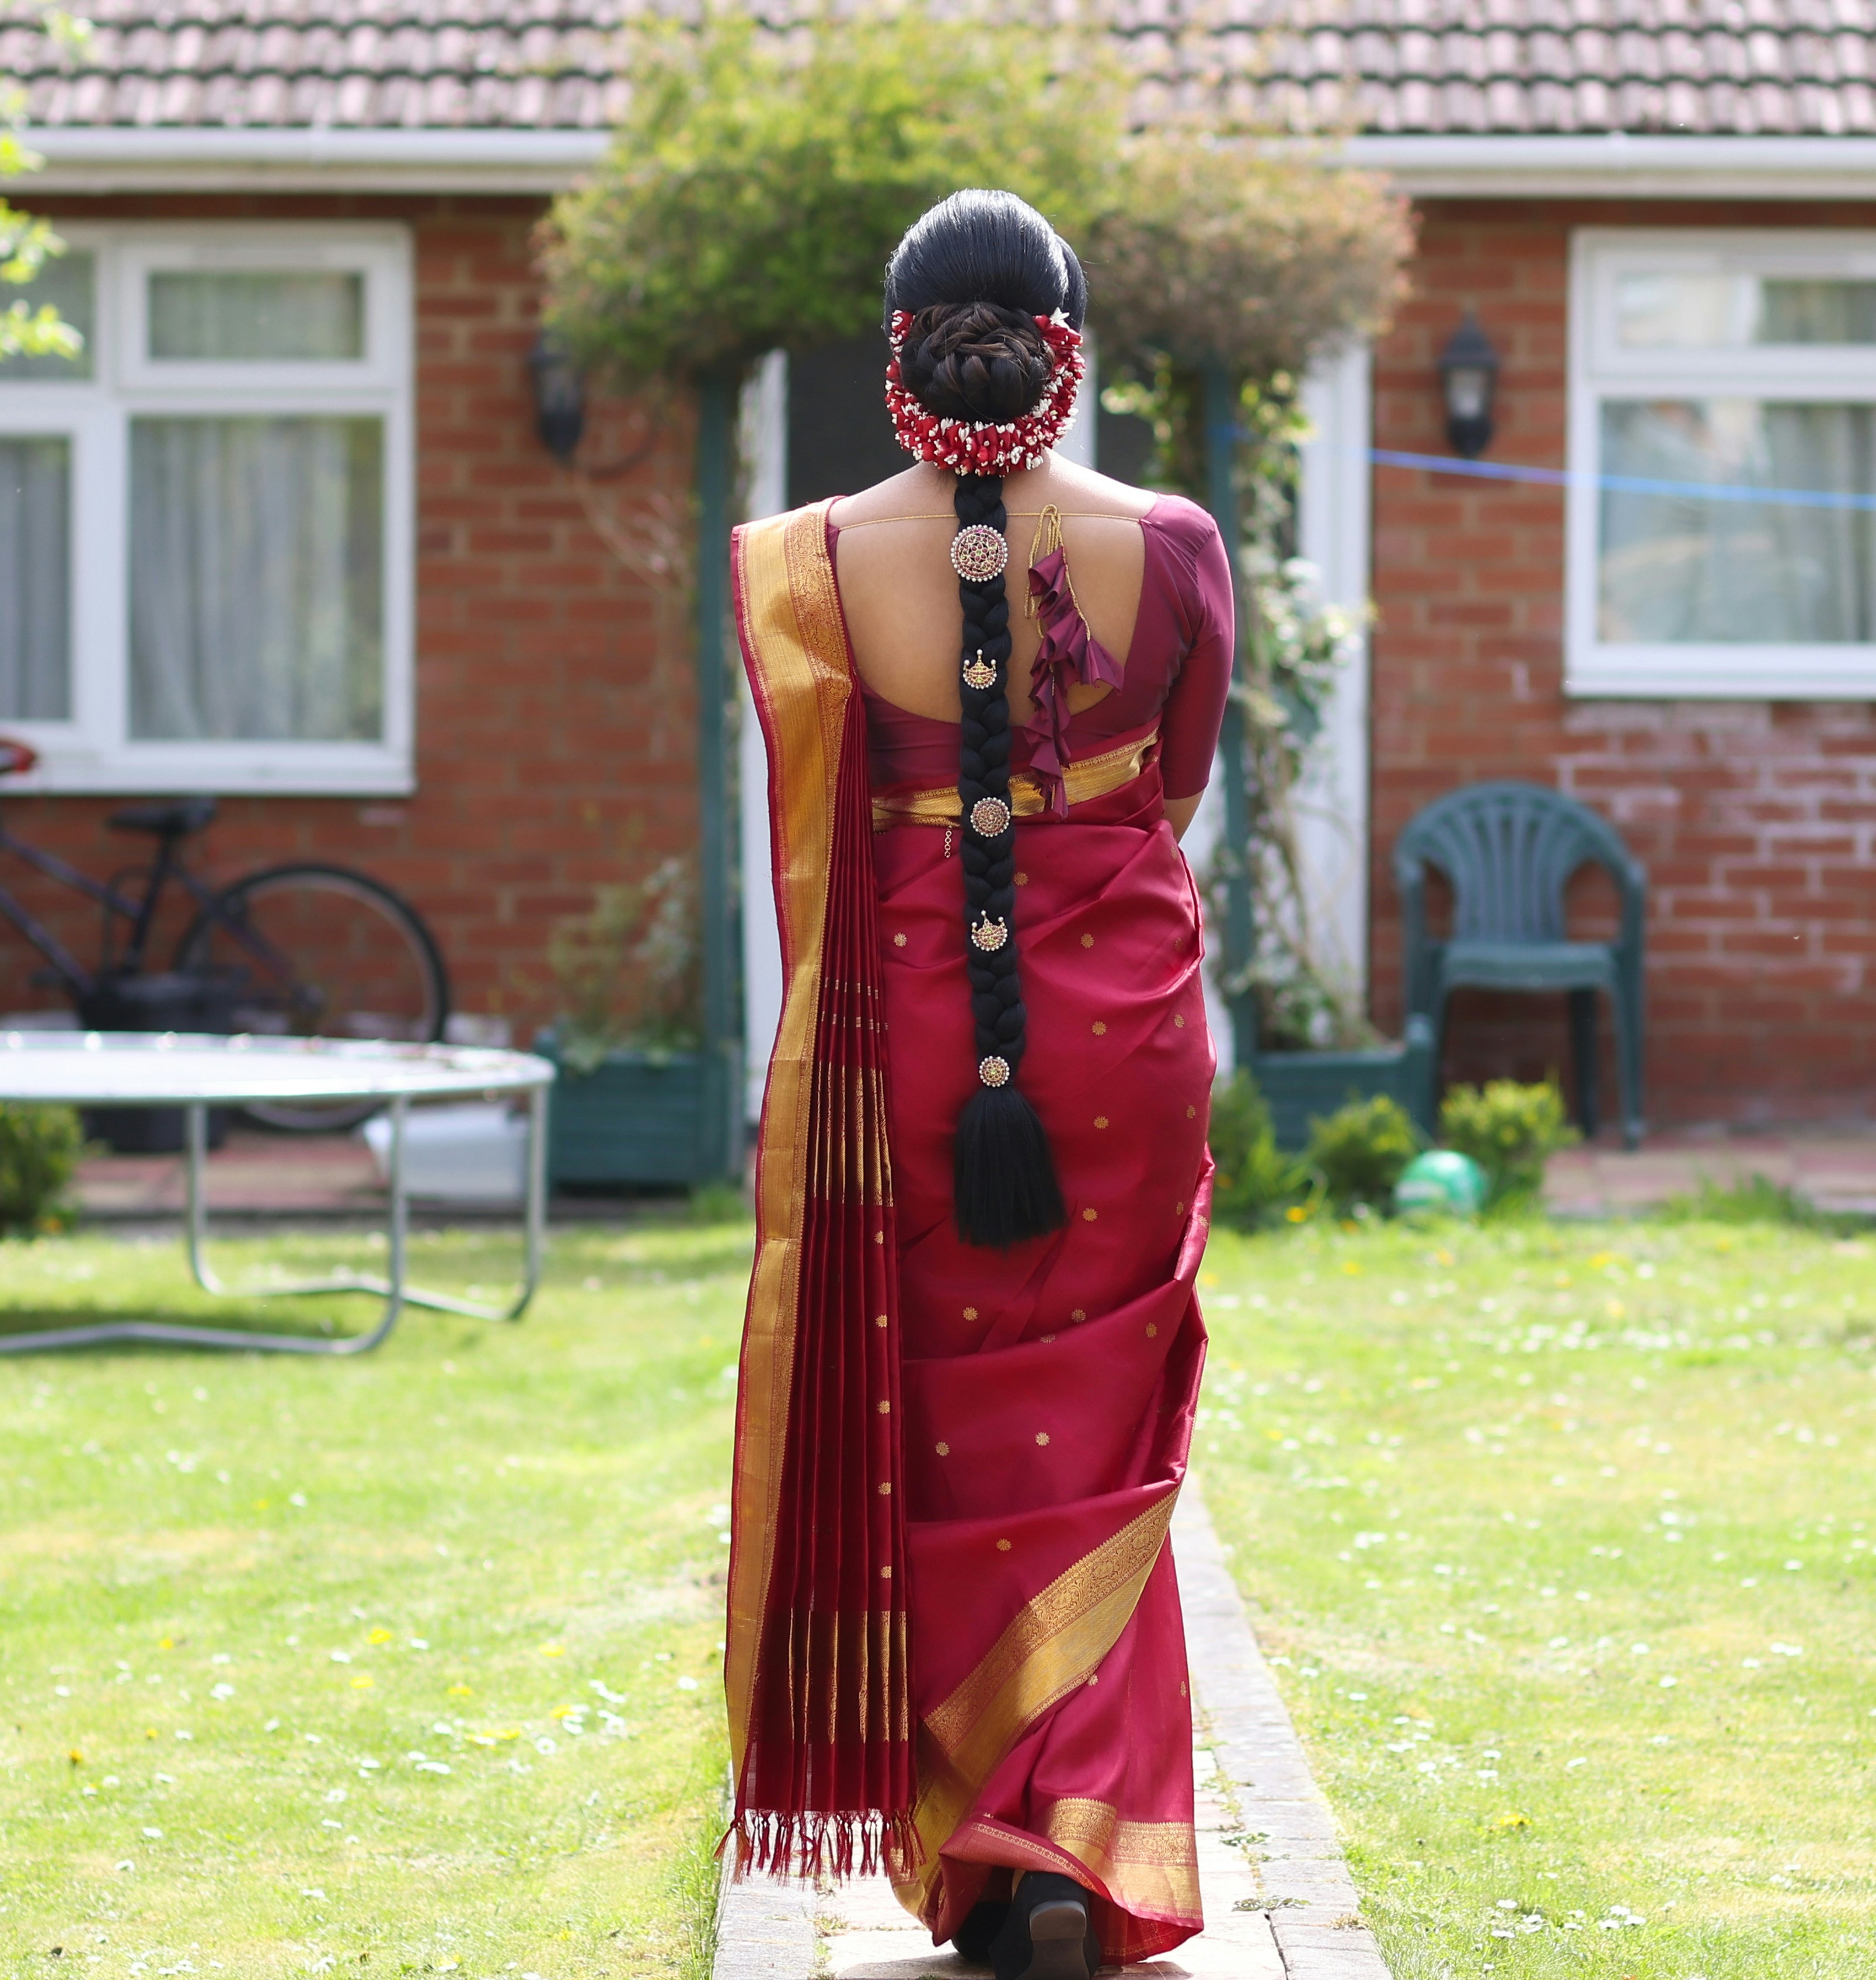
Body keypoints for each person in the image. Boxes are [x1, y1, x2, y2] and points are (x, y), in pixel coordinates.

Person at [724, 189, 1233, 1980]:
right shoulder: (1170, 542)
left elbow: (829, 819)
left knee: (926, 1423)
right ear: (1064, 355)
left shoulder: (799, 563)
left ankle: (991, 1843)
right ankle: (1061, 1850)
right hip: (1121, 1030)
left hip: (909, 1043)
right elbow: (1172, 779)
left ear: (900, 359)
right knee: (1103, 1439)